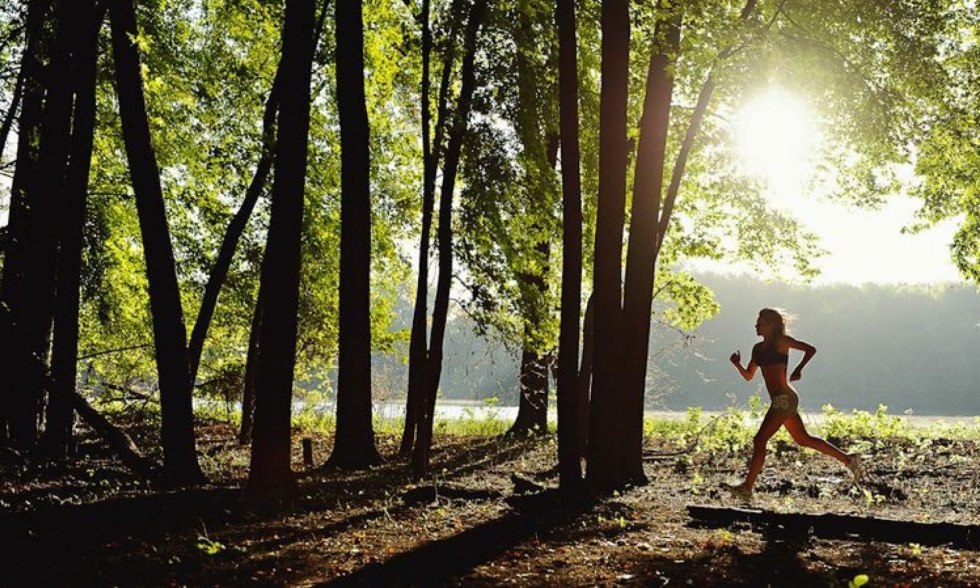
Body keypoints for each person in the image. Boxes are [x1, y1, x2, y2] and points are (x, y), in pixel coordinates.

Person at [722, 308, 862, 501]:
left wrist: (798, 369)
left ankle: (747, 487)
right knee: (803, 439)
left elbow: (810, 349)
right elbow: (749, 375)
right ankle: (849, 459)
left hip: (784, 399)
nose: (756, 325)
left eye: (760, 322)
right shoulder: (757, 349)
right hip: (779, 400)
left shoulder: (782, 342)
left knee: (759, 440)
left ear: (771, 325)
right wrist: (736, 364)